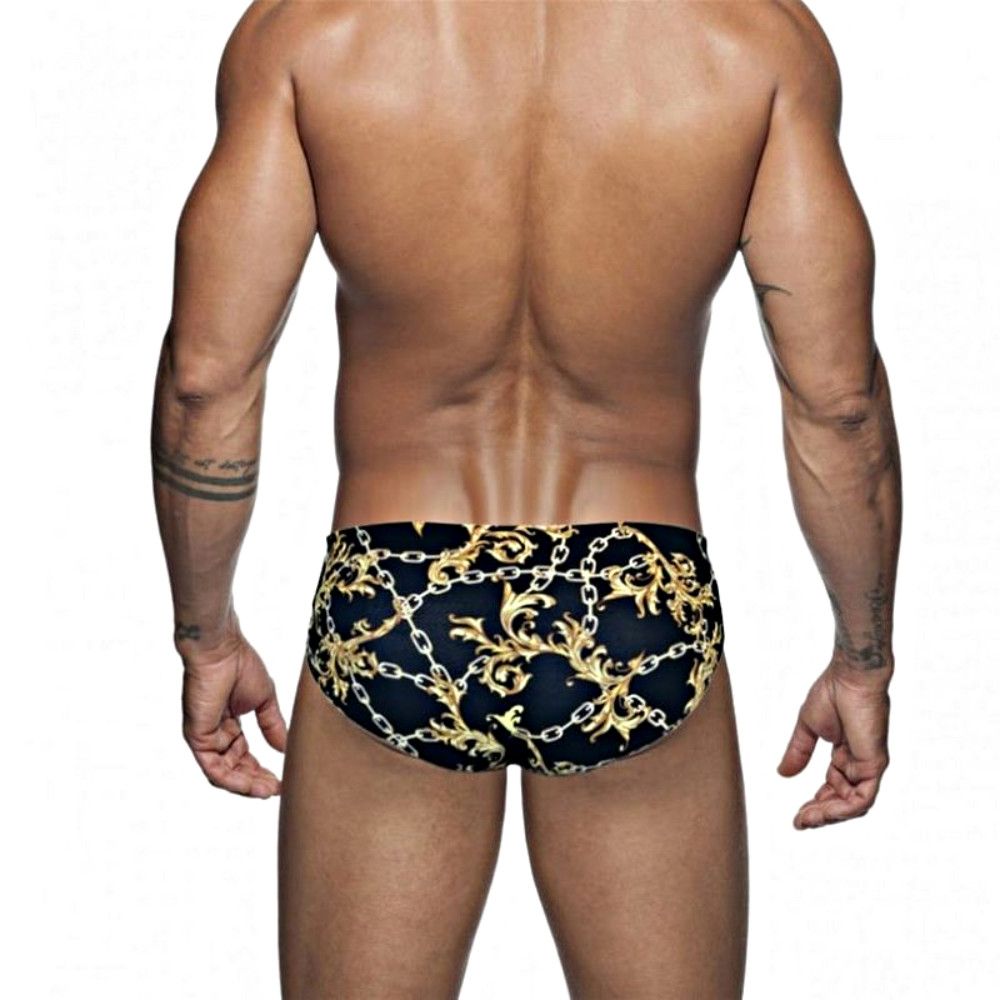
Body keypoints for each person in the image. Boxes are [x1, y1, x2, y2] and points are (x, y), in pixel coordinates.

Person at [150, 2, 901, 997]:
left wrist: (205, 639)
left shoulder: (313, 33)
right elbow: (839, 404)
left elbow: (206, 381)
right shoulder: (752, 40)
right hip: (630, 598)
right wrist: (863, 658)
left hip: (399, 596)